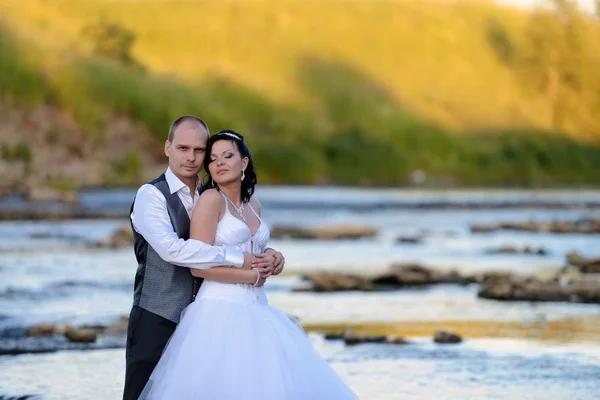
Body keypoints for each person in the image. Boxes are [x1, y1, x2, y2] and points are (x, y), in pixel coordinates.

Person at [139, 130, 358, 400]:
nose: (218, 163)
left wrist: (275, 258)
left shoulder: (254, 205)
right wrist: (250, 277)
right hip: (219, 310)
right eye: (213, 159)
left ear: (243, 163)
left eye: (227, 156)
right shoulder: (211, 201)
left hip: (258, 309)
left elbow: (255, 252)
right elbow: (198, 266)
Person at [123, 116, 285, 400]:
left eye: (199, 151)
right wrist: (240, 260)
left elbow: (241, 234)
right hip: (158, 314)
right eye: (183, 148)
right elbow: (172, 250)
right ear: (167, 148)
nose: (191, 157)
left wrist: (271, 255)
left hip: (209, 316)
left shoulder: (212, 193)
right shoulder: (152, 195)